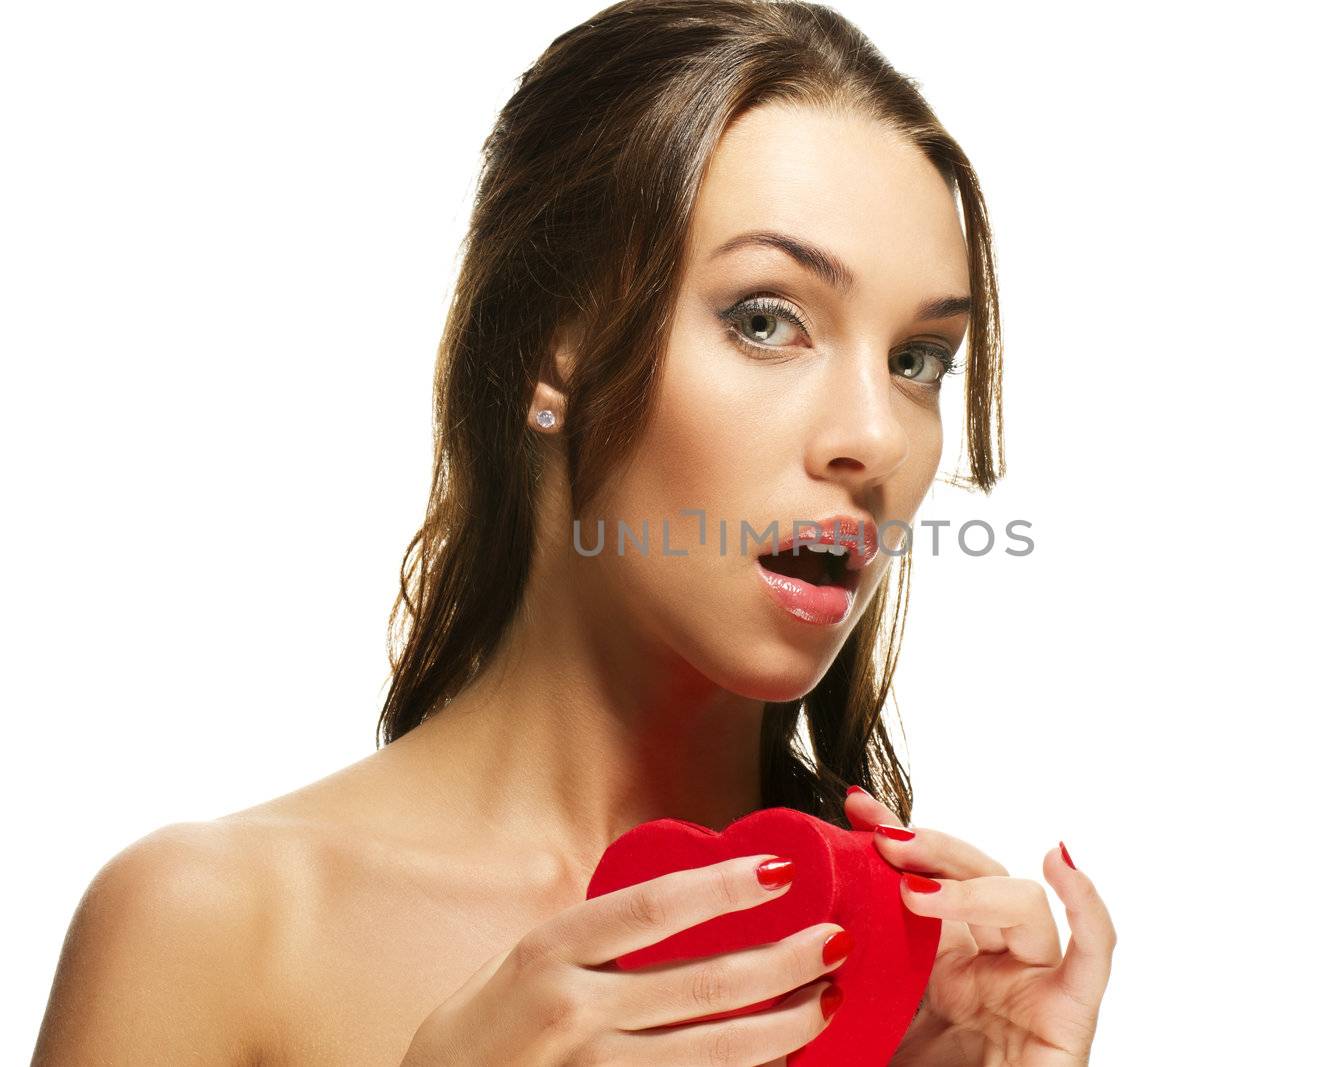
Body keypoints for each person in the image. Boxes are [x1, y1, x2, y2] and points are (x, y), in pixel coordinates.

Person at [33, 1, 1115, 1062]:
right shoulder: (215, 930)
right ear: (559, 346)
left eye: (916, 359)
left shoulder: (923, 974)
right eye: (765, 319)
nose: (874, 438)